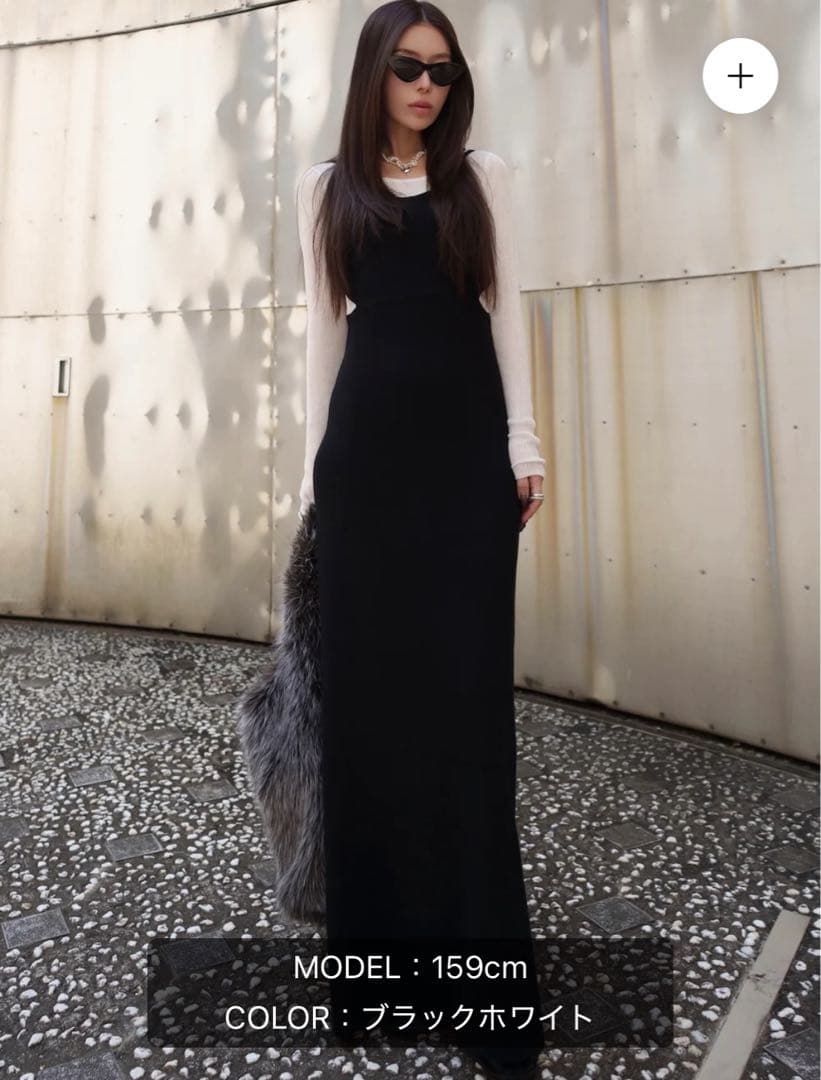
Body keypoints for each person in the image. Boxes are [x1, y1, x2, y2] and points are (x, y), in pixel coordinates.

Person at [295, 3, 546, 1077]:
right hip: (365, 472)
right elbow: (322, 333)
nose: (425, 86)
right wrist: (313, 480)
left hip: (464, 469)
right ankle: (377, 979)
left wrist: (523, 442)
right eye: (406, 67)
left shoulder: (480, 178)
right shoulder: (325, 190)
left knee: (466, 712)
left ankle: (481, 993)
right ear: (374, 74)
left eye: (441, 70)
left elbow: (507, 309)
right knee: (368, 715)